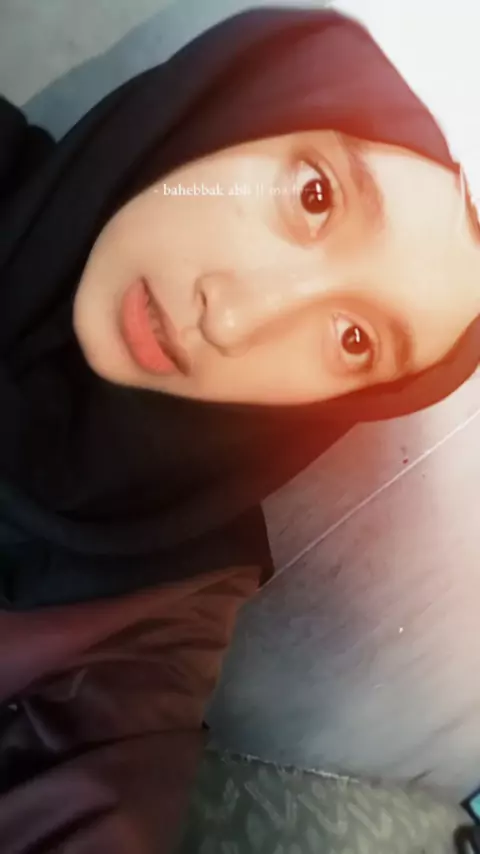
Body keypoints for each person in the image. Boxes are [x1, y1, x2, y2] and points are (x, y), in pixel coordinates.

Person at [0, 3, 479, 852]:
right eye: (315, 195)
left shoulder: (162, 609)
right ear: (232, 107)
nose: (231, 319)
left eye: (354, 340)